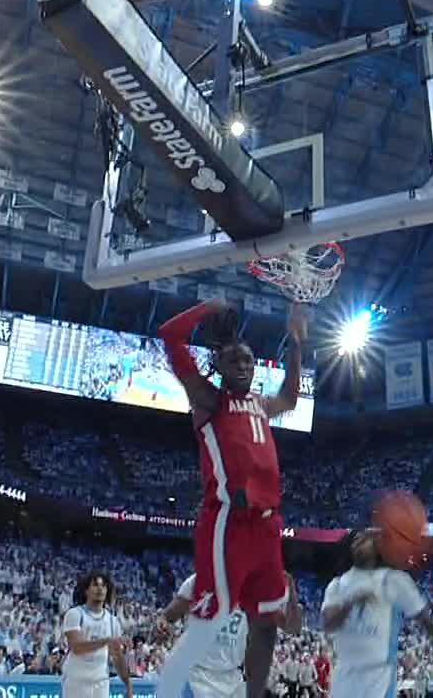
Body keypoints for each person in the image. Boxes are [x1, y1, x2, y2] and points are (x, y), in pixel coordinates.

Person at [155, 299, 306, 698]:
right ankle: (172, 687)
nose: (243, 365)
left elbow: (291, 397)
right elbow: (170, 335)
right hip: (228, 522)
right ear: (219, 366)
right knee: (211, 616)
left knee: (266, 622)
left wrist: (295, 344)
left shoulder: (260, 404)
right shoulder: (208, 401)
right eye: (234, 360)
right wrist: (207, 308)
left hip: (268, 525)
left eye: (248, 360)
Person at [322, 529, 433, 698]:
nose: (359, 542)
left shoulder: (393, 580)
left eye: (366, 539)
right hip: (344, 672)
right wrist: (351, 603)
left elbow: (426, 621)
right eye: (357, 539)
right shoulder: (337, 585)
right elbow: (328, 625)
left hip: (378, 674)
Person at [156, 572, 303, 698]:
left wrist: (290, 589)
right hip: (195, 674)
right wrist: (162, 626)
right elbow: (167, 616)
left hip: (231, 678)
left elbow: (292, 628)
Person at [61, 572, 133, 698]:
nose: (100, 589)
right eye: (95, 585)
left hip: (101, 682)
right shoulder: (75, 614)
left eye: (104, 586)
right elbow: (77, 647)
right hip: (76, 682)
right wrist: (106, 641)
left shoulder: (112, 621)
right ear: (86, 591)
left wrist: (127, 683)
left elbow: (117, 657)